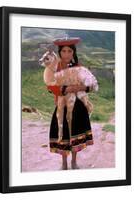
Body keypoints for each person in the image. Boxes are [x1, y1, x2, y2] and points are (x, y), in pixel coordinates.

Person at [47, 37, 94, 170]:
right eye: (64, 51)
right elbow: (50, 86)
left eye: (69, 51)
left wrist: (80, 88)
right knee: (63, 135)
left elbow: (89, 85)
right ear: (59, 52)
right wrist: (64, 89)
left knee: (75, 134)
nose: (66, 54)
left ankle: (73, 161)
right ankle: (64, 162)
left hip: (78, 106)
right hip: (62, 105)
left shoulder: (79, 67)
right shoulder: (54, 68)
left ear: (73, 53)